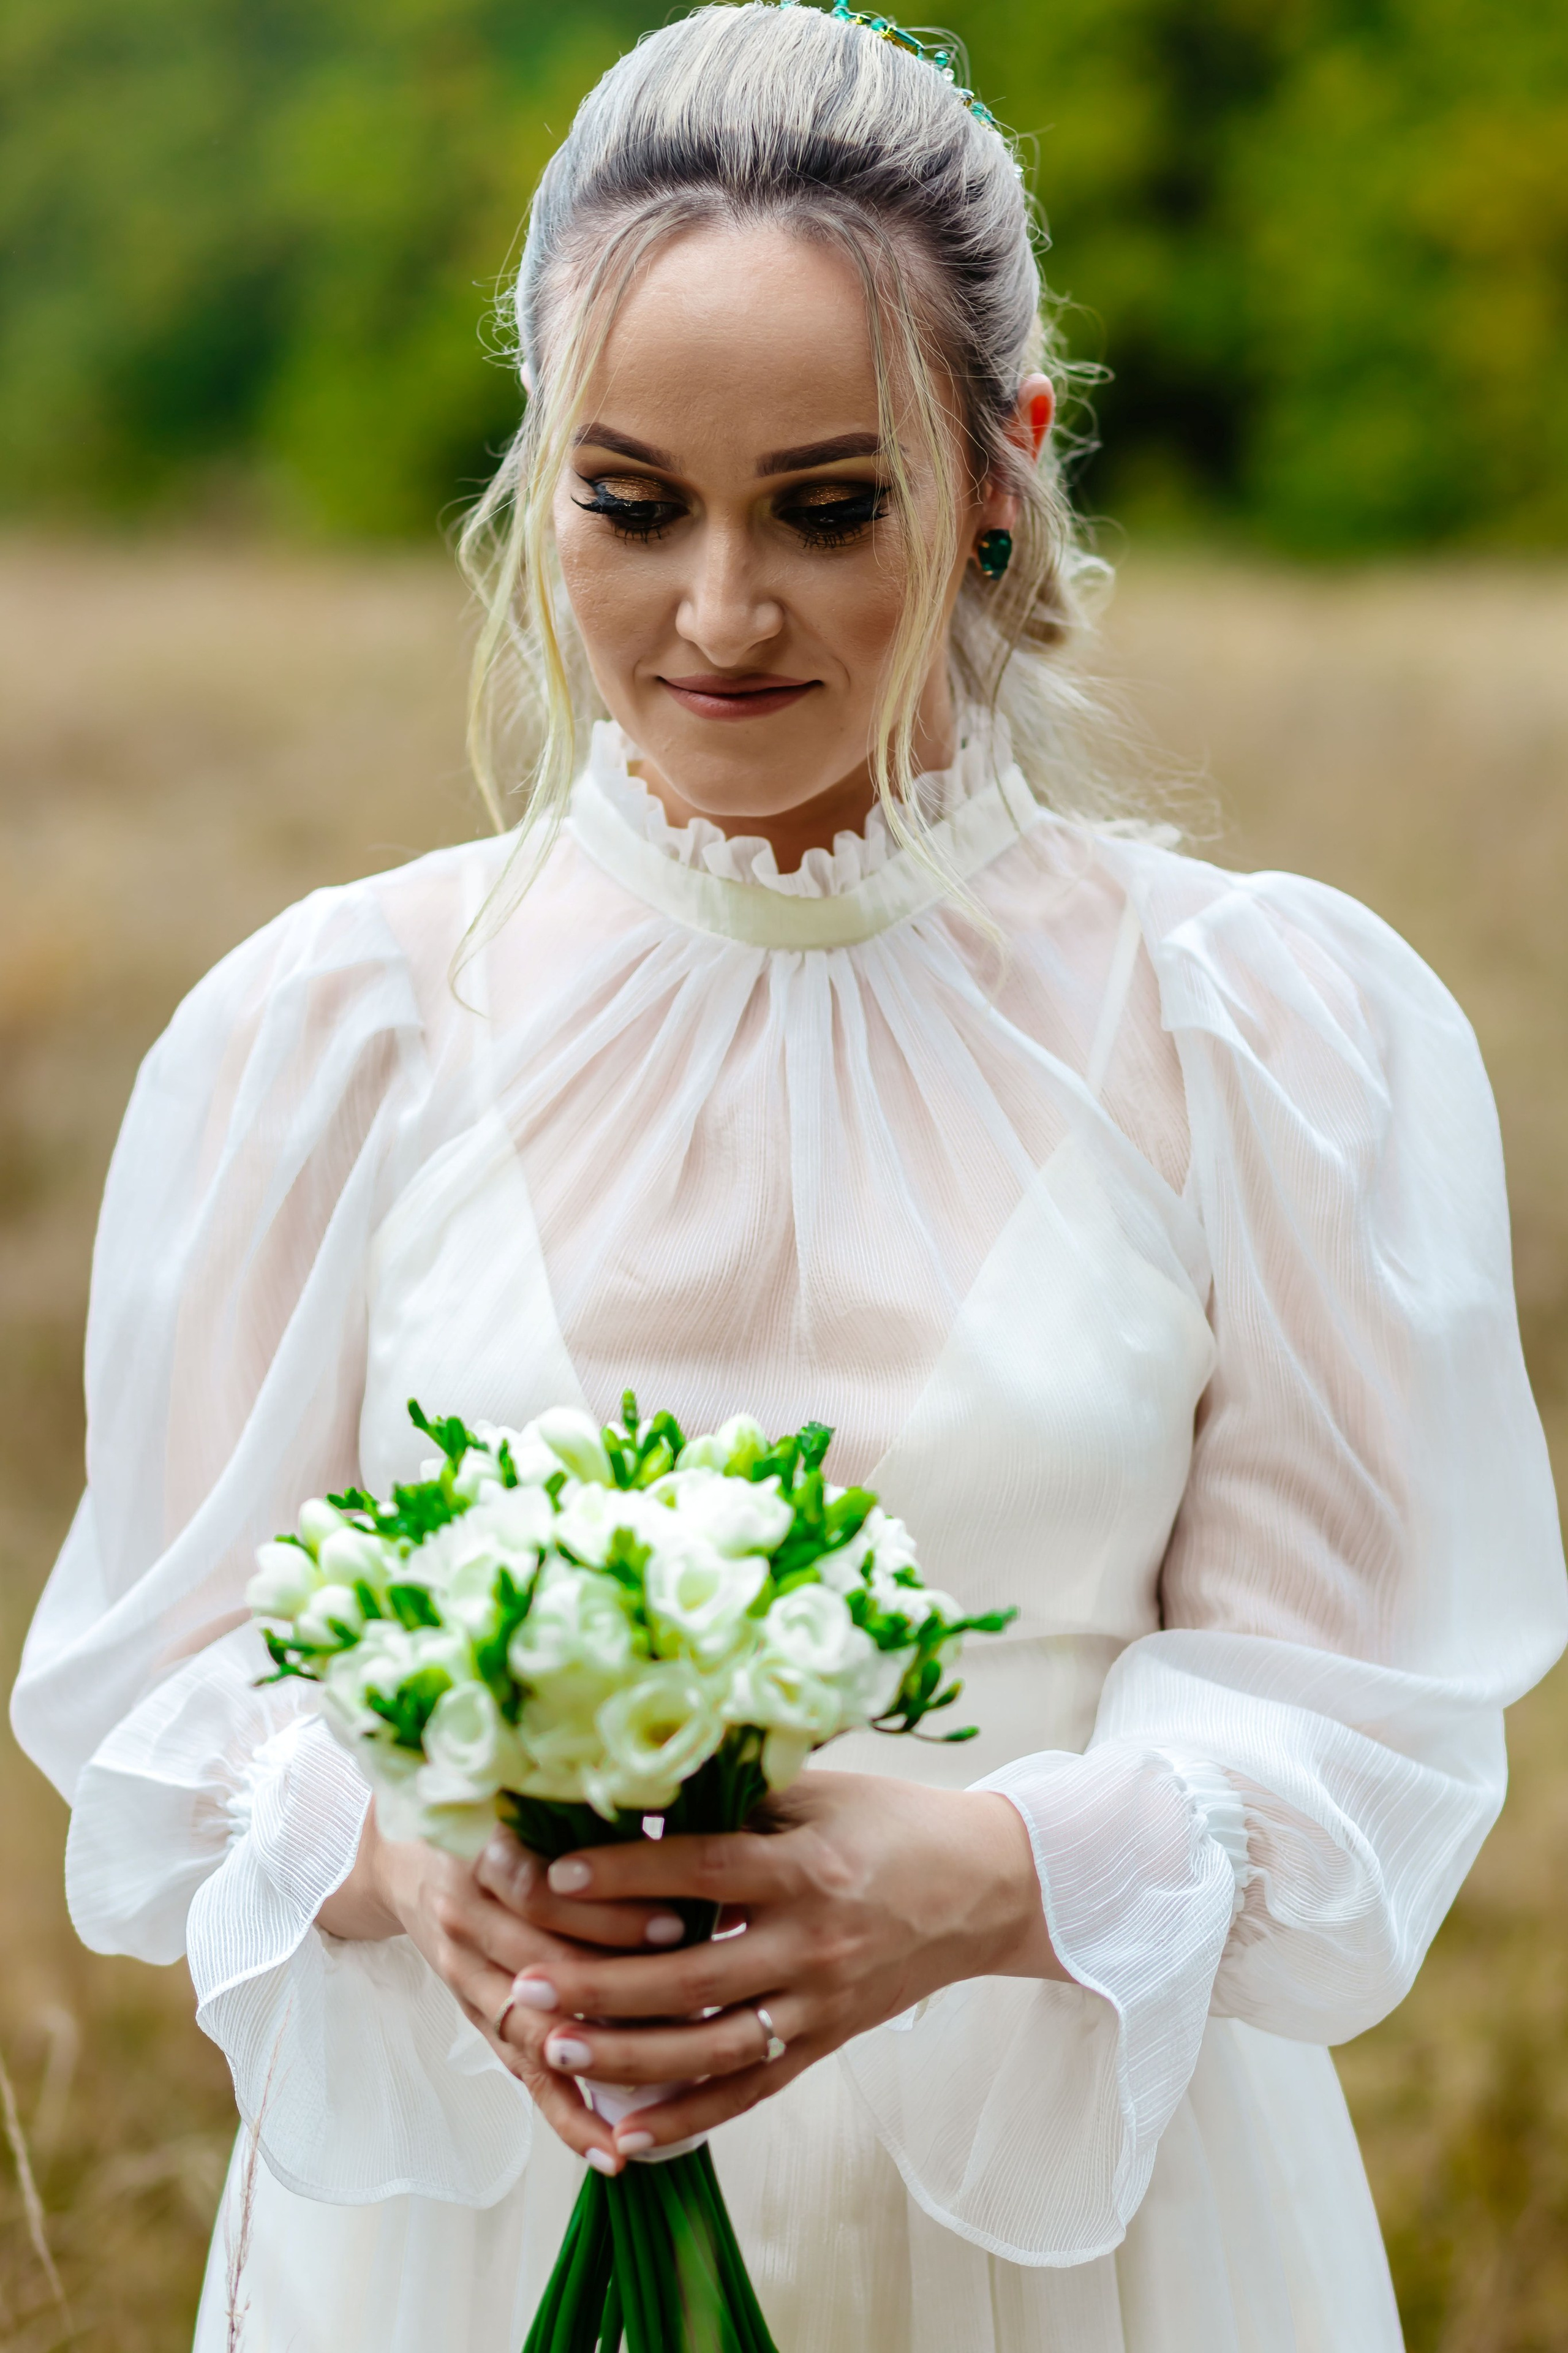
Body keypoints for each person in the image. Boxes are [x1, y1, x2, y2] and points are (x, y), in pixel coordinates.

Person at [11, 6, 1566, 2347]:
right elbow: (166, 1694)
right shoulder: (331, 1032)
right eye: (633, 506)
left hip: (1084, 2237)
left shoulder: (1263, 1035)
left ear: (1004, 470)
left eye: (826, 509)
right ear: (546, 476)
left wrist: (975, 1878)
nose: (715, 614)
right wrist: (414, 1863)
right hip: (473, 2225)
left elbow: (1359, 1721)